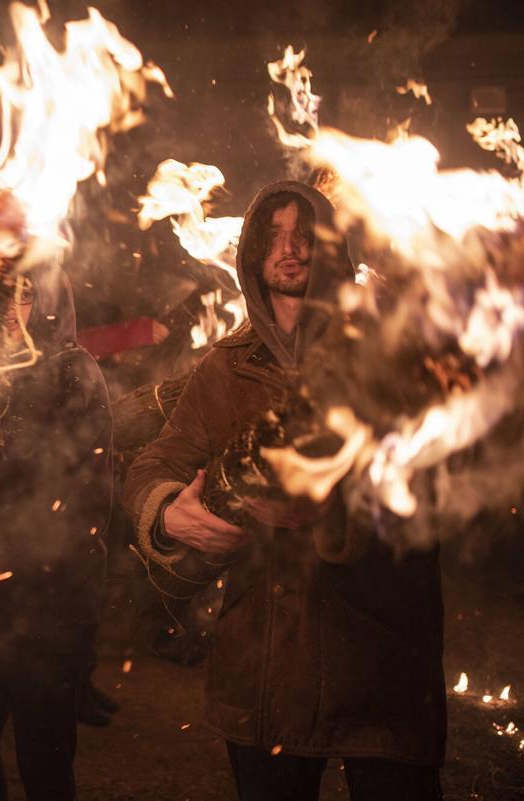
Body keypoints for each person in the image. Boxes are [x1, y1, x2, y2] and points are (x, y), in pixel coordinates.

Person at [122, 182, 445, 801]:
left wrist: (330, 511)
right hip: (265, 673)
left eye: (304, 235)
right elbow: (159, 458)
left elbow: (439, 485)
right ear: (251, 255)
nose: (289, 250)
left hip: (379, 667)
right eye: (273, 237)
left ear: (331, 249)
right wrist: (168, 513)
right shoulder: (227, 365)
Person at [0, 269, 113, 801]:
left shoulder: (71, 368)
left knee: (44, 749)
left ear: (46, 299)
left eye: (25, 291)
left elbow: (72, 483)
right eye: (5, 293)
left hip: (50, 592)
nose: (12, 306)